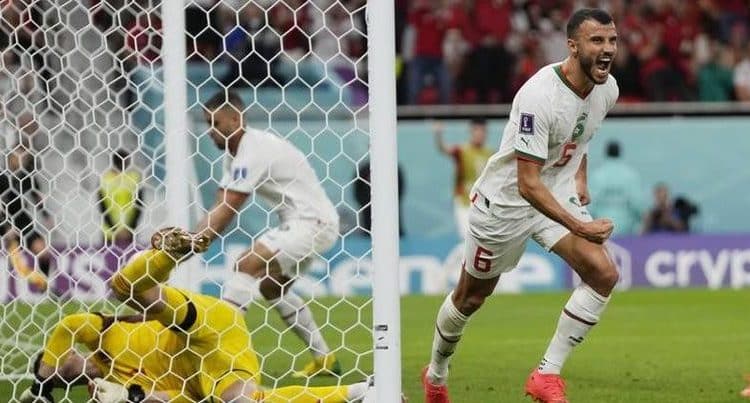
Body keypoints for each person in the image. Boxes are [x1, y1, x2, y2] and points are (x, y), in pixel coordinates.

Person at [422, 8, 619, 403]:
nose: (608, 49)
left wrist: (579, 177)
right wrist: (580, 226)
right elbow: (527, 184)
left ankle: (546, 374)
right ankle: (436, 375)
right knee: (471, 297)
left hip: (555, 191)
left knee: (603, 273)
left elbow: (581, 135)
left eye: (612, 40)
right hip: (507, 202)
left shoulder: (607, 89)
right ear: (572, 45)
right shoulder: (538, 97)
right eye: (597, 40)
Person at [19, 228, 372, 403]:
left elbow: (69, 325)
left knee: (125, 289)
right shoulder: (116, 386)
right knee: (244, 401)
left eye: (59, 365)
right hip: (212, 365)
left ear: (68, 354)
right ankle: (362, 391)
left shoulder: (101, 335)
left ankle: (167, 254)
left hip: (198, 325)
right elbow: (178, 399)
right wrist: (131, 397)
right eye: (61, 378)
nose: (65, 372)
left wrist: (41, 386)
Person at [189, 90, 341, 378]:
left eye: (215, 123)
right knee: (271, 288)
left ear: (236, 119)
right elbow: (221, 202)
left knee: (246, 265)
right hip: (308, 222)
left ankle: (217, 351)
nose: (210, 131)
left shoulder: (252, 149)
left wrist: (194, 243)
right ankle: (325, 358)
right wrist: (194, 238)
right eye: (208, 123)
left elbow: (229, 208)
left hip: (311, 222)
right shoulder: (236, 154)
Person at [0, 147, 52, 291]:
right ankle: (40, 285)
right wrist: (5, 227)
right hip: (6, 224)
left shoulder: (27, 177)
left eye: (25, 156)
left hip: (23, 220)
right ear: (11, 158)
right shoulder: (2, 178)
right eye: (19, 155)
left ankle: (45, 287)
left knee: (43, 252)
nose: (22, 159)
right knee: (20, 266)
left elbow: (37, 198)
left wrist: (46, 215)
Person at [433, 118, 493, 239]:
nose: (480, 134)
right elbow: (443, 149)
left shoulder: (490, 153)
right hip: (464, 202)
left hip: (483, 205)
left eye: (483, 131)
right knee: (466, 237)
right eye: (477, 130)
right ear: (471, 131)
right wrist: (438, 134)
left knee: (482, 239)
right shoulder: (462, 151)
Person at [588, 141, 645, 236]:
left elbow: (590, 206)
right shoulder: (630, 175)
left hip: (602, 230)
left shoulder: (597, 175)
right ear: (620, 152)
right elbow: (637, 204)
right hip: (626, 230)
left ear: (606, 153)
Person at [97, 149, 144, 247]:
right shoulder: (105, 179)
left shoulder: (134, 178)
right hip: (110, 232)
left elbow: (139, 204)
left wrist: (130, 228)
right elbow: (102, 207)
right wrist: (116, 230)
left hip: (130, 231)